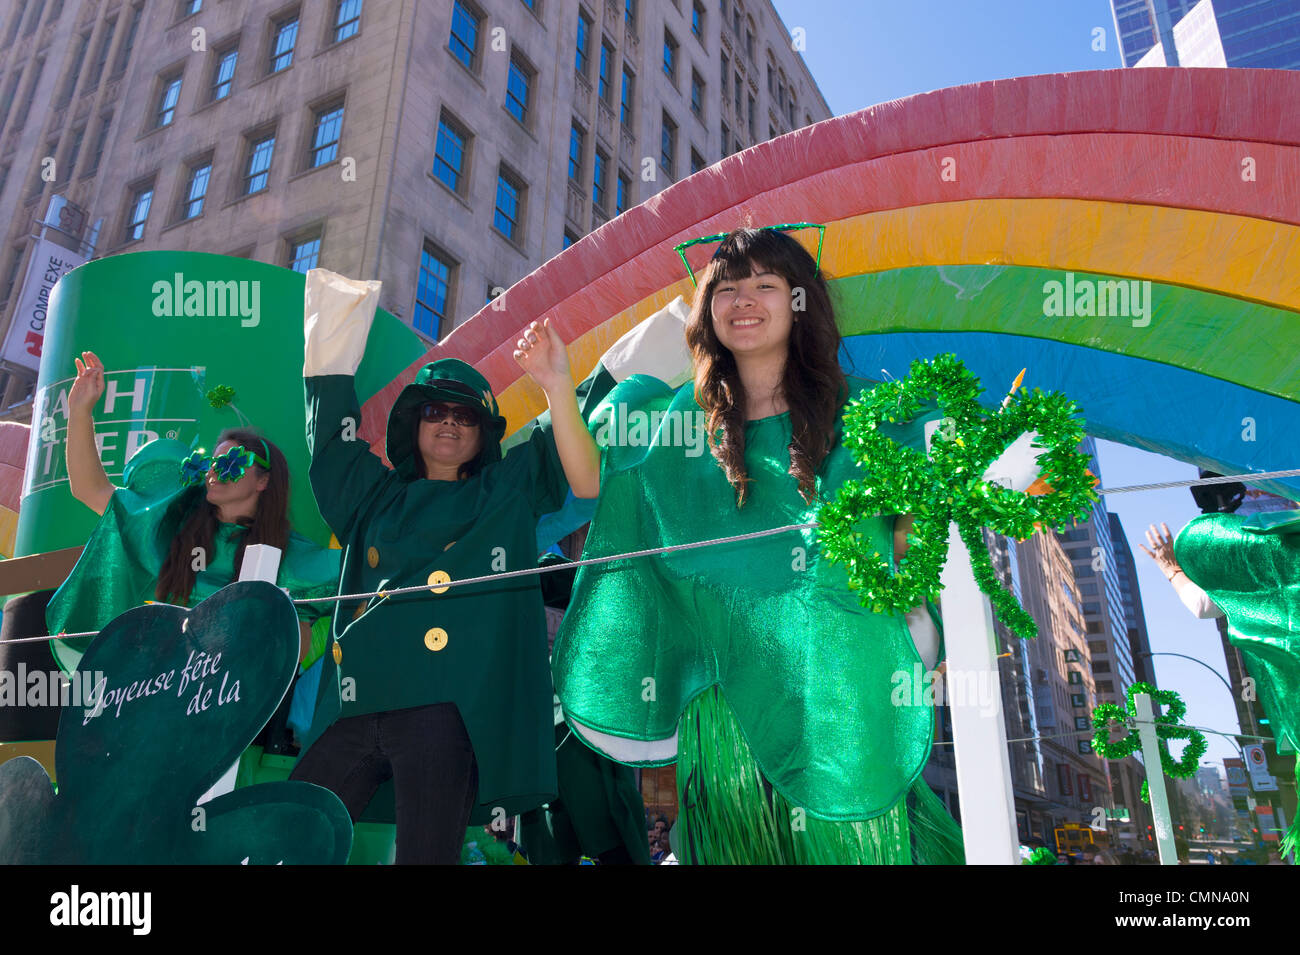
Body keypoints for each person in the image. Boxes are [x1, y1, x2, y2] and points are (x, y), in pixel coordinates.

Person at [550, 226, 964, 864]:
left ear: (801, 303)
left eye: (766, 285)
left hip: (835, 685)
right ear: (707, 311)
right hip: (723, 700)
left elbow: (913, 535)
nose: (744, 300)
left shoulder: (867, 415)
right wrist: (556, 387)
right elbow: (589, 480)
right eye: (727, 289)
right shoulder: (673, 422)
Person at [291, 268, 600, 864]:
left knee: (426, 857)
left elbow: (582, 466)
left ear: (485, 434)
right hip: (357, 703)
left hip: (443, 712)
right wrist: (333, 322)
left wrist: (560, 384)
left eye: (466, 416)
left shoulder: (506, 492)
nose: (450, 423)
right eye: (436, 411)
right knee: (294, 834)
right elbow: (328, 438)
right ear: (414, 424)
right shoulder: (372, 495)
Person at [47, 350, 339, 683]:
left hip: (226, 706)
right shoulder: (172, 524)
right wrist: (80, 410)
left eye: (231, 464)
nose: (215, 473)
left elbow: (284, 664)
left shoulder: (290, 557)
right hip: (151, 688)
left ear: (263, 481)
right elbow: (89, 489)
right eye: (211, 464)